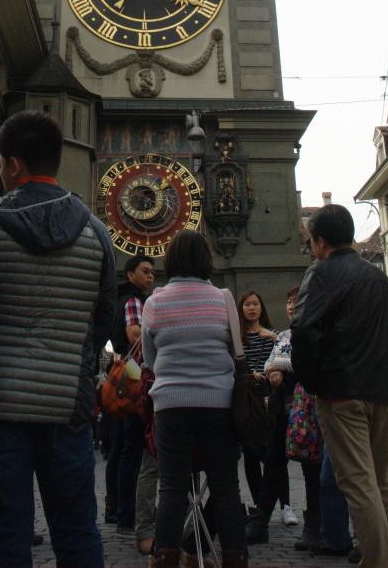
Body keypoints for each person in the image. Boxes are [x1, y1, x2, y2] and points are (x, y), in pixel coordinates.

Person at [0, 111, 117, 568]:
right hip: (68, 405)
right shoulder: (96, 232)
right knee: (76, 532)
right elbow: (103, 319)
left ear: (10, 166)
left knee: (3, 535)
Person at [291, 202, 388, 568]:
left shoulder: (320, 273)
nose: (311, 249)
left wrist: (311, 382)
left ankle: (378, 563)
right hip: (382, 391)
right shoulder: (380, 279)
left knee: (357, 482)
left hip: (341, 392)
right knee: (383, 480)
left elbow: (304, 330)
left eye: (310, 242)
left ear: (321, 242)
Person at [140, 229, 247, 568]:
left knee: (171, 487)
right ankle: (234, 556)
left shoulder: (155, 301)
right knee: (226, 486)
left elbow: (150, 358)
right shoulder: (224, 298)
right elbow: (236, 351)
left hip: (171, 405)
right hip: (218, 403)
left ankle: (165, 557)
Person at [245, 287, 304, 545]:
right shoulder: (284, 336)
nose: (290, 307)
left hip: (295, 406)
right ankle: (261, 515)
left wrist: (277, 366)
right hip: (267, 405)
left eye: (296, 302)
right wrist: (273, 367)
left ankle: (295, 511)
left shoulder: (281, 335)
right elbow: (271, 363)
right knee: (268, 460)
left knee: (298, 464)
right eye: (289, 302)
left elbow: (290, 362)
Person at [107, 254, 155, 535]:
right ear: (130, 275)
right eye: (144, 271)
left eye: (151, 272)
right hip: (136, 379)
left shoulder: (119, 300)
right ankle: (127, 511)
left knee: (123, 447)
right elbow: (135, 335)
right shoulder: (135, 301)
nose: (150, 276)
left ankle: (117, 509)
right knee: (133, 448)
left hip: (124, 378)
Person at [237, 290, 276, 509]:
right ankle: (260, 504)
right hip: (247, 401)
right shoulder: (237, 338)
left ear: (262, 307)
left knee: (270, 452)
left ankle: (281, 503)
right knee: (251, 454)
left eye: (255, 304)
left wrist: (274, 337)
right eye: (247, 305)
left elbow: (282, 356)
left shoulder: (272, 335)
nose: (252, 308)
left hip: (267, 397)